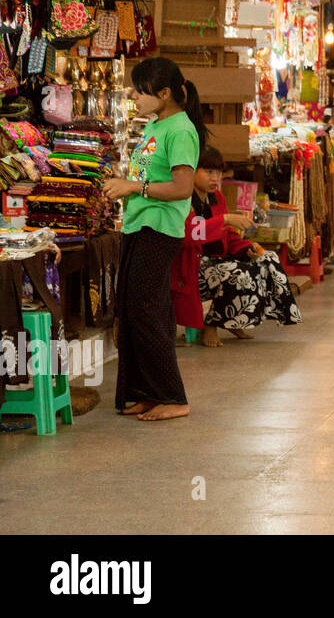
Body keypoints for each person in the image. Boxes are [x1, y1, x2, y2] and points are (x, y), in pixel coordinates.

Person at [102, 57, 205, 422]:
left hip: (159, 230)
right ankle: (145, 391)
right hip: (138, 225)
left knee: (146, 311)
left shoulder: (180, 130)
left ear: (164, 94)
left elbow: (182, 188)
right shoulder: (156, 124)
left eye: (141, 91)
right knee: (135, 309)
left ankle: (172, 396)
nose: (134, 97)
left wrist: (133, 186)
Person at [175, 147, 302, 347]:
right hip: (192, 266)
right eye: (208, 172)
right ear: (192, 171)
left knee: (267, 259)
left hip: (216, 262)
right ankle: (212, 324)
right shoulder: (183, 199)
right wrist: (224, 219)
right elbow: (190, 235)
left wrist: (246, 248)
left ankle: (233, 319)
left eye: (217, 172)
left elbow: (229, 236)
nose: (214, 178)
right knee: (235, 271)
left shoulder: (218, 197)